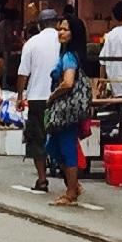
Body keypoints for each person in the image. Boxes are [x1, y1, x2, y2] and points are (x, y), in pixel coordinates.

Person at [17, 5, 63, 193]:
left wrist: (20, 96)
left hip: (37, 98)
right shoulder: (64, 41)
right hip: (60, 96)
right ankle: (70, 181)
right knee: (62, 137)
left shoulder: (32, 43)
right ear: (57, 23)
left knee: (37, 139)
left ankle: (42, 180)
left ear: (39, 25)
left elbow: (22, 74)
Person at [45, 29, 91, 207]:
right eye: (59, 28)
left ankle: (71, 192)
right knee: (53, 146)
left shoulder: (69, 56)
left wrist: (53, 96)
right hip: (66, 109)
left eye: (65, 29)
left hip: (66, 110)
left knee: (66, 147)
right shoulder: (67, 54)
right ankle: (73, 185)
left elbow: (68, 82)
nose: (61, 32)